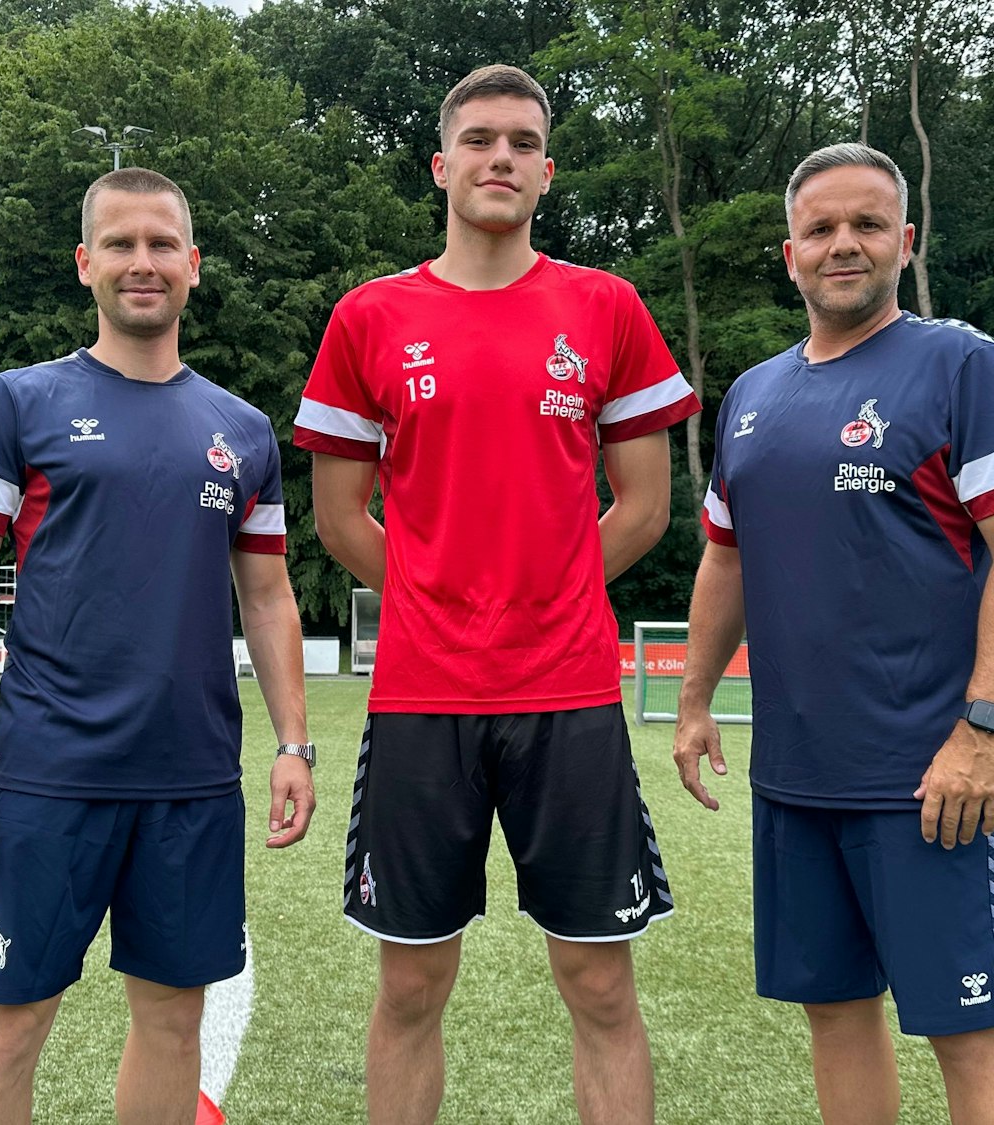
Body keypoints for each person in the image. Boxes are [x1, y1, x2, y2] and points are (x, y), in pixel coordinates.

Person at [293, 64, 698, 1125]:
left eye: (522, 142)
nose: (500, 158)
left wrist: (539, 593)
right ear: (441, 165)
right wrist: (443, 598)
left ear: (546, 171)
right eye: (478, 140)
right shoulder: (369, 316)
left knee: (600, 982)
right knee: (410, 983)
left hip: (568, 692)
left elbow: (645, 507)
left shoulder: (605, 307)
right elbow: (339, 518)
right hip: (422, 696)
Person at [672, 143, 994, 1125]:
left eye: (866, 224)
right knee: (835, 1013)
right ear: (789, 253)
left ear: (905, 240)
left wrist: (983, 729)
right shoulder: (752, 395)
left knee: (967, 1032)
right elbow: (725, 559)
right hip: (794, 776)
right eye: (820, 229)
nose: (842, 244)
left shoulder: (963, 366)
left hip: (931, 779)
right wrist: (693, 698)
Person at [0, 167, 315, 1125]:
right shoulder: (17, 403)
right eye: (121, 244)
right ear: (84, 263)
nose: (144, 262)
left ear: (194, 265)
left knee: (174, 1022)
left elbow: (267, 597)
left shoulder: (244, 431)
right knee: (8, 1028)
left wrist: (294, 743)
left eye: (162, 244)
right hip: (46, 774)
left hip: (192, 779)